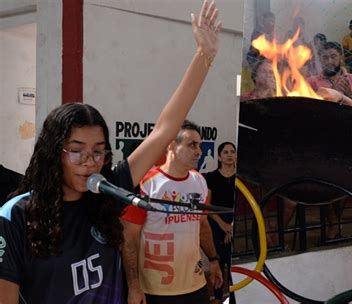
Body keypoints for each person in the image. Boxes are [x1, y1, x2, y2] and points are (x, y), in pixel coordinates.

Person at [0, 1, 221, 303]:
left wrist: (204, 56)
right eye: (76, 151)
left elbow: (164, 130)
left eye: (99, 151)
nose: (89, 162)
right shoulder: (16, 216)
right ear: (54, 153)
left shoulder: (108, 194)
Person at [121, 120, 223, 304]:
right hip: (156, 289)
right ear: (171, 146)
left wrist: (214, 260)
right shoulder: (146, 183)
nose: (199, 151)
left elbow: (202, 224)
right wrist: (134, 286)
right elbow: (129, 238)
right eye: (192, 145)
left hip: (195, 284)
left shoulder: (199, 181)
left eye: (199, 145)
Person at [204, 142, 237, 304]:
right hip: (216, 225)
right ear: (219, 156)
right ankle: (217, 298)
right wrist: (223, 226)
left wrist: (231, 229)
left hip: (234, 226)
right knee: (219, 261)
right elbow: (208, 207)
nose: (229, 155)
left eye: (232, 152)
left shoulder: (241, 179)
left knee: (233, 264)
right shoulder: (210, 177)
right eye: (225, 152)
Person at [308, 41, 352, 110]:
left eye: (333, 57)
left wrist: (350, 94)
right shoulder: (311, 81)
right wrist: (332, 93)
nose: (329, 61)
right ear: (320, 60)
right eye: (325, 57)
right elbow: (308, 108)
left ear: (341, 58)